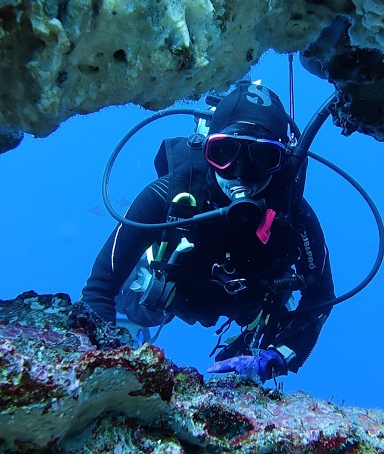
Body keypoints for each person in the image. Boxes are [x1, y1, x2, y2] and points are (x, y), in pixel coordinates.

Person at [81, 81, 335, 381]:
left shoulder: (295, 219)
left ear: (282, 163)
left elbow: (321, 297)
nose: (241, 174)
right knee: (135, 311)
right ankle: (133, 319)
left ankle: (250, 357)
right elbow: (100, 288)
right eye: (225, 152)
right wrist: (100, 362)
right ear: (207, 149)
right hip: (171, 289)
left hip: (250, 305)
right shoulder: (168, 195)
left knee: (265, 337)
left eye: (263, 158)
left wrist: (278, 358)